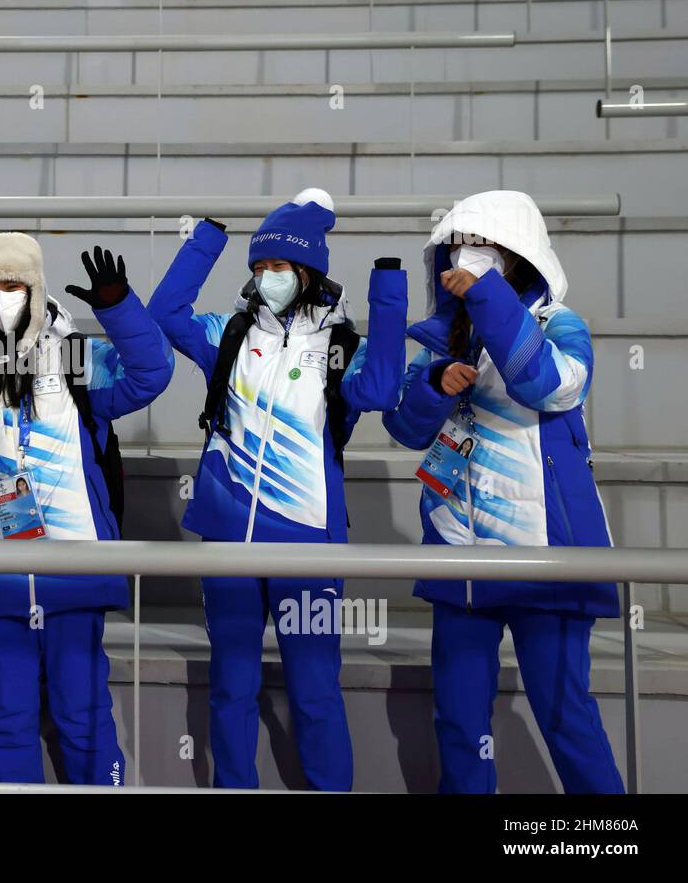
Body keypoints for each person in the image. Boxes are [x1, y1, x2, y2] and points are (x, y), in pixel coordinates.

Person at [146, 189, 409, 790]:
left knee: (315, 689)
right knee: (231, 686)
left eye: (280, 267)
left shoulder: (340, 346)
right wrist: (207, 240)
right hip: (227, 538)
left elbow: (381, 392)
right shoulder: (231, 335)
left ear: (309, 272)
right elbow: (165, 314)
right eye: (259, 267)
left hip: (308, 545)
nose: (267, 277)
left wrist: (388, 297)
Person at [382, 189, 624, 794]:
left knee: (566, 716)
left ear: (519, 256)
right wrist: (436, 382)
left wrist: (487, 297)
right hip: (461, 552)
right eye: (460, 244)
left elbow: (547, 385)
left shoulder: (562, 326)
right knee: (460, 722)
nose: (469, 254)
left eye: (485, 245)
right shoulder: (444, 340)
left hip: (549, 555)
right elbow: (405, 428)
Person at [0, 235, 173, 785]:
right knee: (5, 721)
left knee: (84, 718)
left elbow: (150, 375)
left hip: (77, 572)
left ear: (35, 290)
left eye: (12, 285)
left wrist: (117, 308)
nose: (2, 297)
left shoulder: (75, 357)